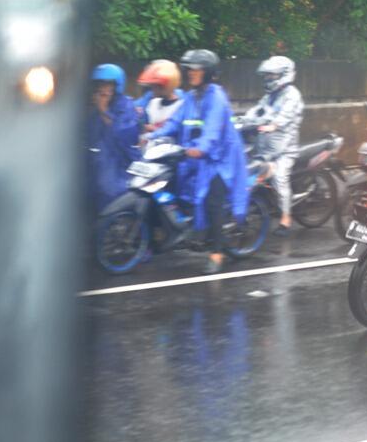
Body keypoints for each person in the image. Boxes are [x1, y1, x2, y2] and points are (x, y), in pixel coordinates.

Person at [146, 49, 249, 274]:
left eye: (196, 70)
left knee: (213, 201)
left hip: (221, 160)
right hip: (198, 156)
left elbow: (211, 133)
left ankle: (217, 253)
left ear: (208, 73)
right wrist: (151, 137)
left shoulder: (217, 98)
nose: (191, 74)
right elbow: (174, 122)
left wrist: (197, 150)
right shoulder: (190, 98)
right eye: (189, 69)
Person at [244, 55, 304, 237]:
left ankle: (286, 218)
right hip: (266, 148)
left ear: (283, 75)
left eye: (272, 76)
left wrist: (273, 125)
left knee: (279, 178)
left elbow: (284, 117)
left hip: (285, 149)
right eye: (267, 76)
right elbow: (256, 111)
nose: (268, 79)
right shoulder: (269, 96)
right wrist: (242, 120)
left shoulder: (292, 95)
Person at [87, 63, 141, 212]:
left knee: (112, 199)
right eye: (100, 85)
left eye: (108, 85)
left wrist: (104, 110)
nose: (103, 89)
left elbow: (123, 135)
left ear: (117, 86)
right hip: (100, 164)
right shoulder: (97, 110)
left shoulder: (126, 106)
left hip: (120, 164)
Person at [136, 60, 184, 132]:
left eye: (156, 86)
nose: (153, 89)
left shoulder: (182, 105)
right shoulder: (152, 103)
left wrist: (153, 129)